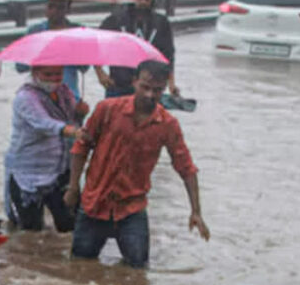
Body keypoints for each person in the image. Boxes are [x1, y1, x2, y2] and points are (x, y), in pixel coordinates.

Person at [64, 60, 209, 268]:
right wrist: (72, 187)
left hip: (131, 208)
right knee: (79, 267)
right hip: (95, 203)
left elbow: (186, 168)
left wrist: (196, 211)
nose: (150, 95)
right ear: (134, 82)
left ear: (163, 90)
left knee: (138, 272)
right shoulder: (107, 110)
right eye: (145, 87)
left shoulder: (168, 125)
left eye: (157, 90)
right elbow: (81, 147)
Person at [3, 64, 86, 232]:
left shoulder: (64, 92)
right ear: (35, 72)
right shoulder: (25, 97)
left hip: (59, 167)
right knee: (30, 232)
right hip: (27, 173)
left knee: (71, 226)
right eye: (48, 74)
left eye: (58, 74)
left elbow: (72, 121)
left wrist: (79, 114)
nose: (54, 79)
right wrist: (71, 130)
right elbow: (43, 123)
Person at [95, 0, 180, 99]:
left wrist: (171, 83)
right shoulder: (116, 19)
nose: (142, 2)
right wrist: (100, 73)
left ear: (152, 1)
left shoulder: (161, 23)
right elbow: (97, 44)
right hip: (119, 84)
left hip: (149, 86)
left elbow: (168, 55)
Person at [15, 0, 88, 101]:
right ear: (46, 8)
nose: (55, 11)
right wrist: (43, 54)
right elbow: (20, 66)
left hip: (69, 96)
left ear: (68, 9)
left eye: (60, 7)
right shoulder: (36, 31)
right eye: (51, 6)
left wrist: (70, 50)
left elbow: (84, 67)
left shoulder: (77, 32)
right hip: (41, 97)